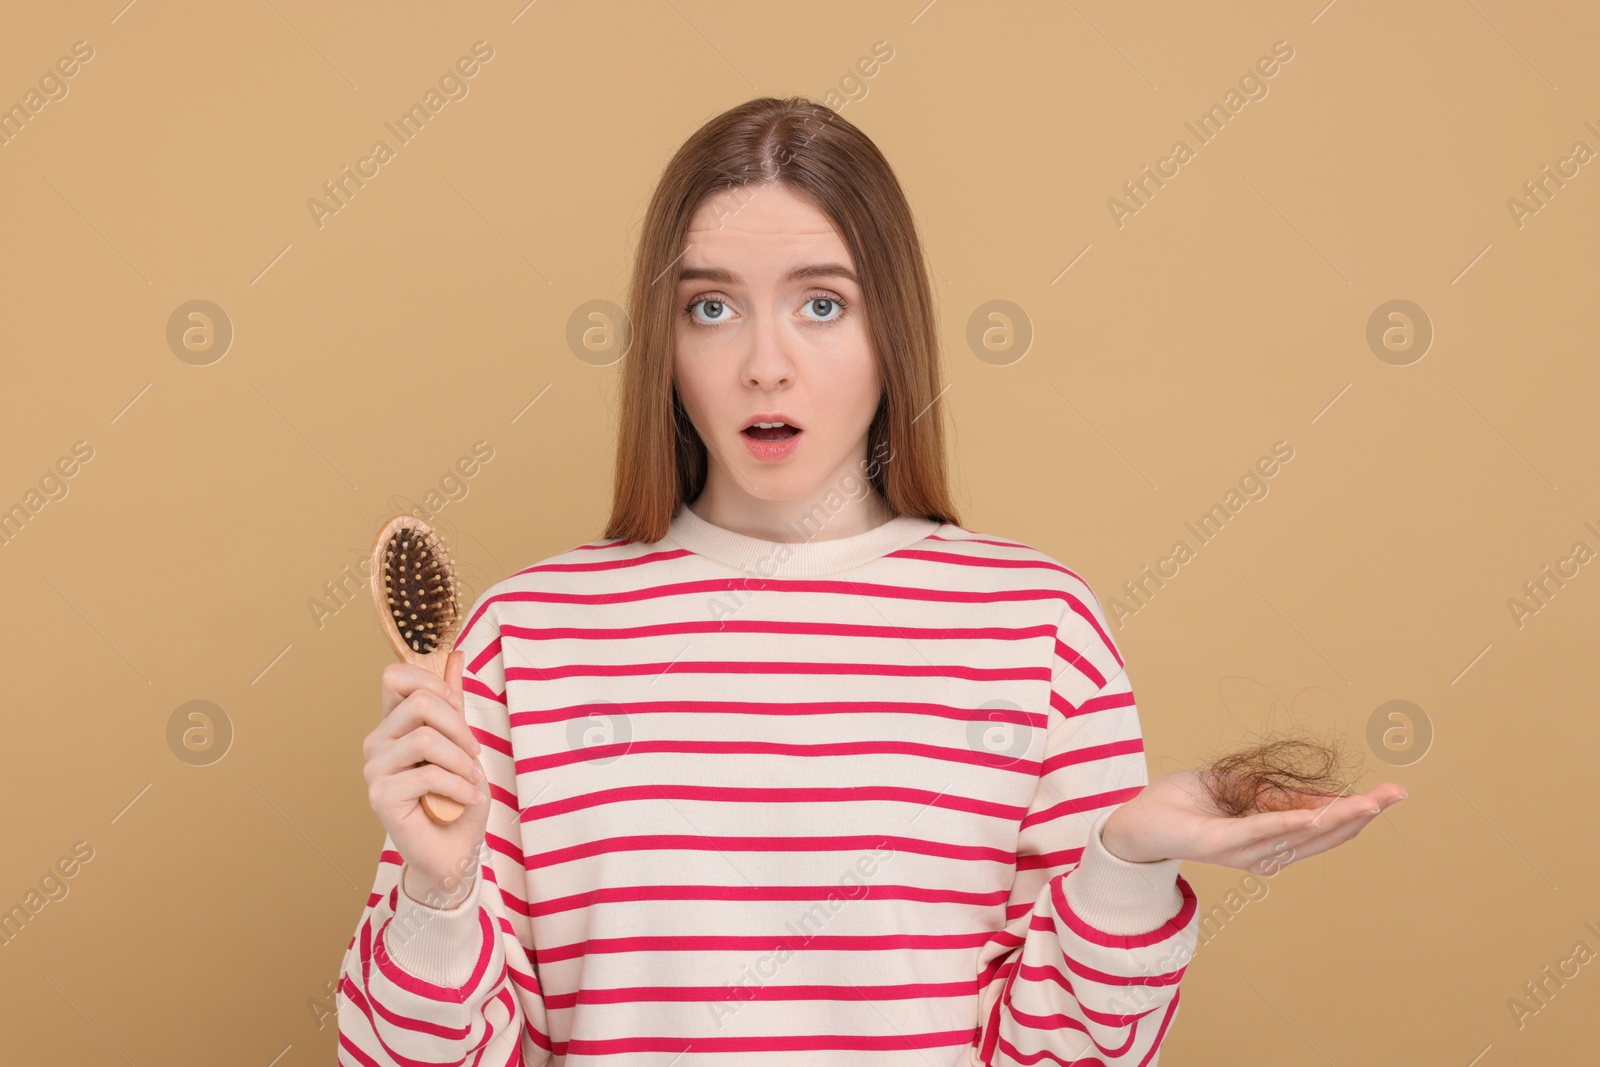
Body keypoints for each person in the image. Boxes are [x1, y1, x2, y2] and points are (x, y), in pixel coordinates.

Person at [336, 96, 1406, 1066]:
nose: (765, 362)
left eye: (820, 305)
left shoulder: (1035, 629)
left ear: (892, 327)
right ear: (662, 342)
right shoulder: (528, 637)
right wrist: (436, 895)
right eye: (712, 307)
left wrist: (1120, 860)